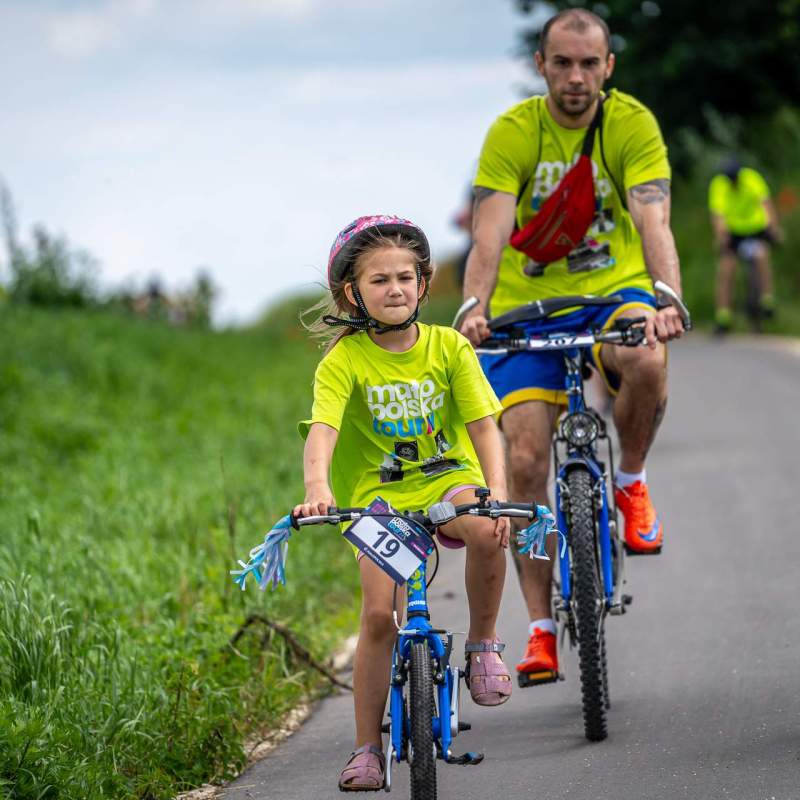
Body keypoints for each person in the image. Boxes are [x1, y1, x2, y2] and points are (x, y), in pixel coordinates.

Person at [459, 9, 686, 685]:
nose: (577, 77)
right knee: (525, 459)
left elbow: (653, 216)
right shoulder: (514, 131)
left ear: (608, 67)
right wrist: (474, 306)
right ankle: (539, 629)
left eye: (590, 64)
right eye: (563, 63)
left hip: (614, 291)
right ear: (542, 66)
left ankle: (630, 483)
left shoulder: (631, 124)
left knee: (646, 355)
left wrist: (666, 294)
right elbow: (490, 232)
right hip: (527, 308)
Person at [295, 215, 515, 791]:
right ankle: (367, 747)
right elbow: (323, 431)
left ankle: (483, 643)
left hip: (449, 481)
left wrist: (497, 489)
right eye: (378, 280)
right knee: (376, 616)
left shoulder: (449, 347)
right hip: (380, 498)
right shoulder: (343, 361)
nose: (394, 289)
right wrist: (318, 490)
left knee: (488, 528)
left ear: (423, 284)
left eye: (404, 277)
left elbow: (485, 426)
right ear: (353, 293)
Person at [708, 156, 783, 332]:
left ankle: (767, 300)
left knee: (762, 256)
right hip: (733, 233)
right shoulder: (718, 185)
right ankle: (723, 316)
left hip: (755, 229)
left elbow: (766, 205)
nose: (733, 182)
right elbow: (717, 215)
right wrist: (721, 236)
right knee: (726, 268)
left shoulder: (752, 178)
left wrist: (774, 228)